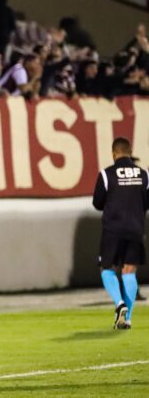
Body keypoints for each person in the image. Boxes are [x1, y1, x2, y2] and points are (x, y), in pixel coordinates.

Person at [92, 137, 149, 330]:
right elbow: (147, 202)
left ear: (114, 154)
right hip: (135, 228)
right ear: (130, 151)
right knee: (129, 271)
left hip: (113, 230)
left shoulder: (106, 174)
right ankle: (128, 318)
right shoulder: (144, 175)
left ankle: (119, 304)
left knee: (107, 268)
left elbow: (97, 203)